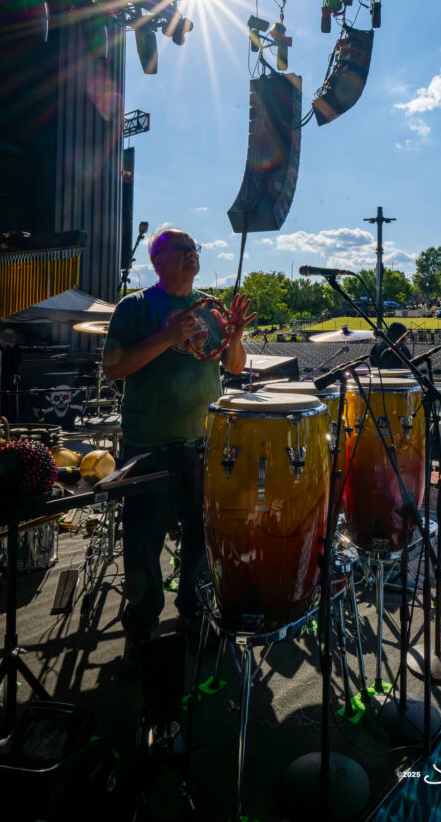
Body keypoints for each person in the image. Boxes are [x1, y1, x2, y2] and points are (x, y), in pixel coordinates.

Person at [102, 226, 257, 664]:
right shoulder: (136, 307)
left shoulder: (210, 308)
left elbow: (234, 366)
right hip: (149, 443)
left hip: (202, 442)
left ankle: (194, 614)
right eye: (182, 248)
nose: (192, 253)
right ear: (158, 261)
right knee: (144, 542)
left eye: (194, 248)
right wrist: (167, 338)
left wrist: (238, 334)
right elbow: (113, 368)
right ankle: (144, 630)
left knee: (200, 538)